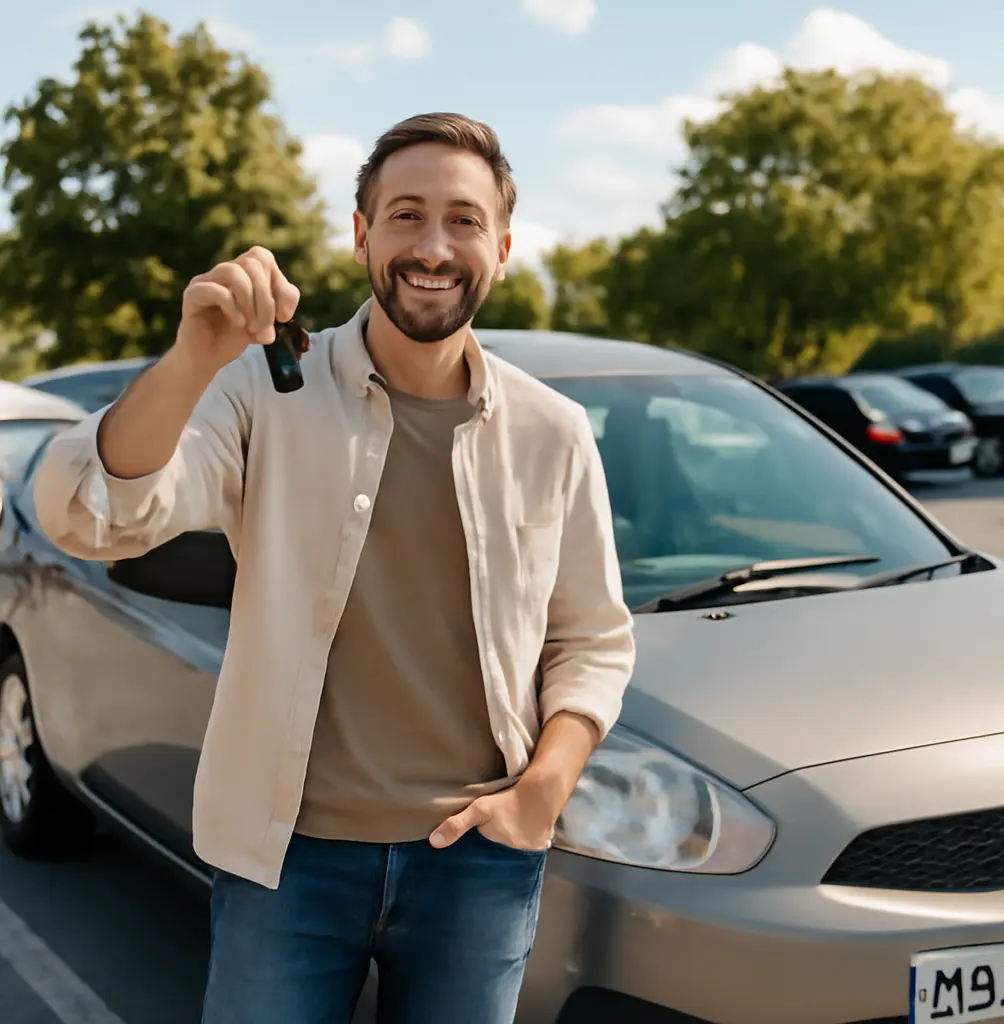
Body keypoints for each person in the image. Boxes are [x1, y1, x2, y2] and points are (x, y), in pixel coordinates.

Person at [33, 112, 636, 1023]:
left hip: (477, 862)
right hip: (288, 860)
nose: (433, 246)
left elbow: (592, 640)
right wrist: (197, 353)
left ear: (503, 248)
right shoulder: (261, 392)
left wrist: (542, 794)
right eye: (405, 215)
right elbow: (92, 512)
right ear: (361, 235)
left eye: (464, 221)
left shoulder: (552, 432)